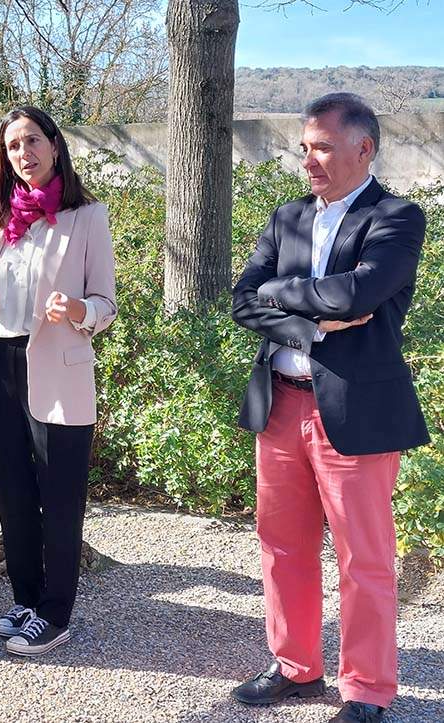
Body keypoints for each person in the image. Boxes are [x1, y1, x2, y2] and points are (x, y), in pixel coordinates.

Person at [230, 93, 429, 723]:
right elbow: (242, 300)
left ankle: (366, 689)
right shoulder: (286, 217)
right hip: (281, 405)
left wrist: (282, 295)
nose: (307, 159)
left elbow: (360, 292)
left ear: (363, 148)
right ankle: (296, 666)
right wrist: (314, 324)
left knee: (363, 557)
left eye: (321, 146)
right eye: (304, 146)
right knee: (282, 544)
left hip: (356, 413)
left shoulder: (396, 217)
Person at [0, 106, 117, 657]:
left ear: (55, 143)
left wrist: (77, 309)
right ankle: (26, 600)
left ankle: (56, 613)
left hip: (57, 369)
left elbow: (105, 305)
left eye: (31, 141)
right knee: (13, 491)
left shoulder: (87, 216)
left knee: (60, 494)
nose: (23, 154)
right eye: (12, 146)